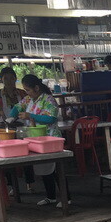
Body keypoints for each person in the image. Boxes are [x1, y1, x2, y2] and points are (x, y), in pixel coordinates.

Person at [9, 74, 69, 207]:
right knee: (44, 168)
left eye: (28, 90)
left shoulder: (49, 100)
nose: (27, 93)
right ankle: (51, 196)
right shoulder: (29, 99)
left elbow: (51, 118)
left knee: (56, 169)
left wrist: (30, 116)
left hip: (51, 138)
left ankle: (67, 198)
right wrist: (11, 117)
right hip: (36, 139)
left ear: (36, 88)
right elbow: (18, 107)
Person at [0, 68, 35, 194]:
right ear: (1, 80)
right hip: (5, 129)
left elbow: (30, 108)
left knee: (26, 155)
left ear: (15, 79)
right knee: (7, 158)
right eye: (6, 78)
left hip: (22, 127)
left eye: (11, 78)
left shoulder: (22, 93)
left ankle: (29, 183)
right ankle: (12, 186)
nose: (9, 81)